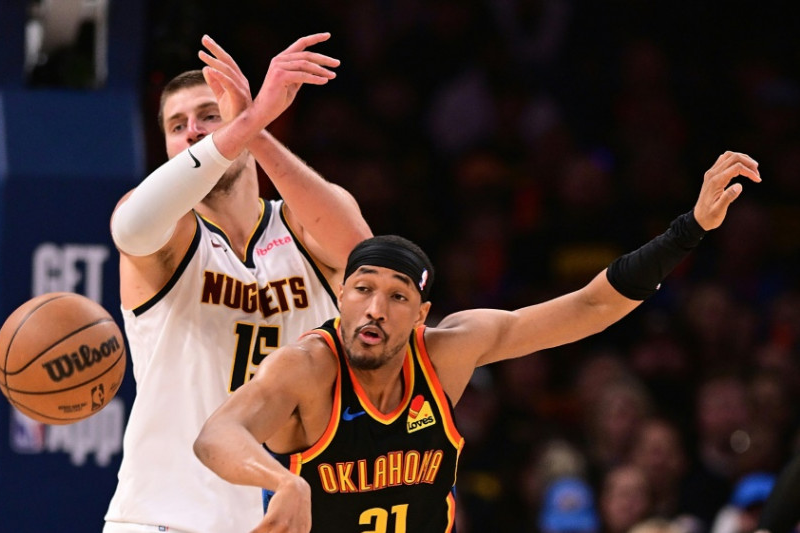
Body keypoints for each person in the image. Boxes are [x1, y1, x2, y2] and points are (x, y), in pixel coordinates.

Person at [194, 151, 761, 532]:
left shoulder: (448, 352)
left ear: (422, 316)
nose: (375, 308)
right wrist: (281, 482)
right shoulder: (307, 368)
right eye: (362, 289)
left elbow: (591, 305)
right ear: (341, 297)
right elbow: (216, 435)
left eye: (396, 297)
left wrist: (690, 229)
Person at [104, 33, 371, 533]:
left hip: (288, 517)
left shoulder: (300, 226)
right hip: (165, 518)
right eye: (177, 125)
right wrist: (242, 125)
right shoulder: (172, 235)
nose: (192, 132)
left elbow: (363, 257)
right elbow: (130, 227)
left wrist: (254, 127)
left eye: (209, 115)